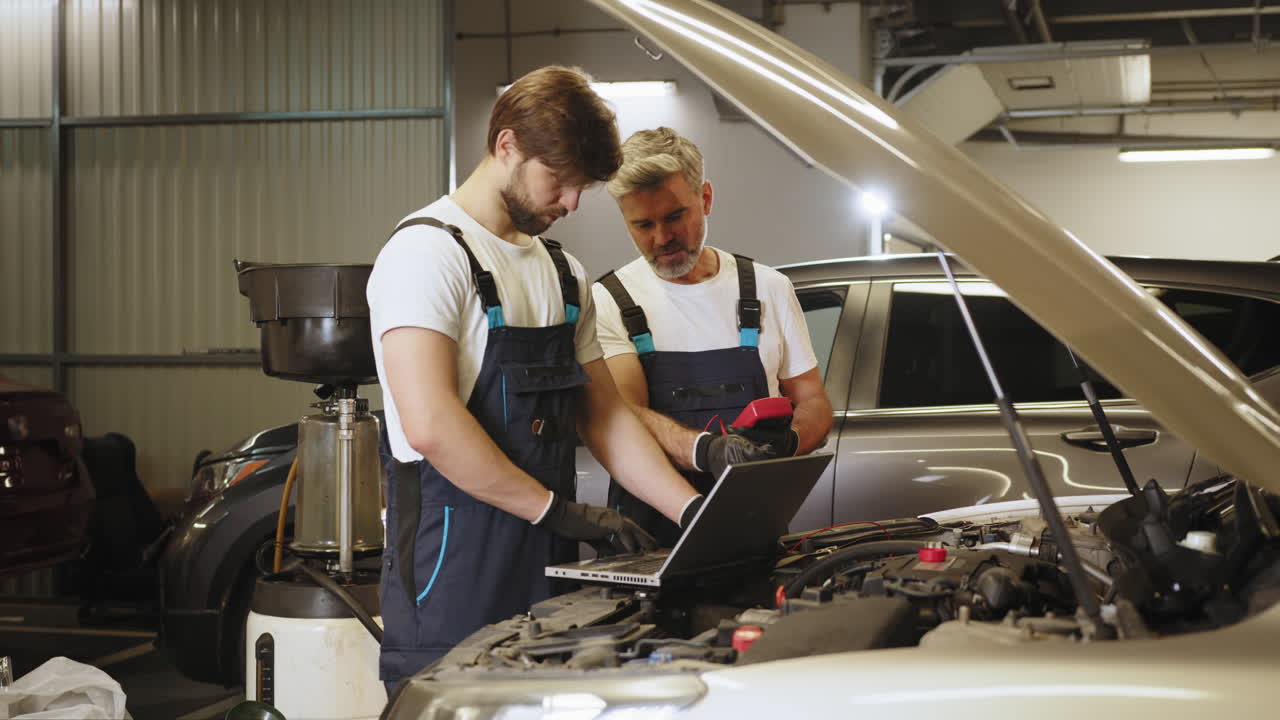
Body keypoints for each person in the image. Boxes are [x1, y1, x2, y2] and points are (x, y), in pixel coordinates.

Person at [366, 68, 701, 691]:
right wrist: (560, 512)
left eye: (582, 188)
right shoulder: (426, 255)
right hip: (452, 565)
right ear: (507, 146)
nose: (571, 203)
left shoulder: (563, 271)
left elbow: (603, 415)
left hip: (546, 559)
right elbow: (431, 424)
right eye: (561, 181)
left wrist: (694, 516)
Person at [593, 127, 834, 545]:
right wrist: (709, 451)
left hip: (753, 526)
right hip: (650, 534)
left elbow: (813, 400)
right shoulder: (611, 300)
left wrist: (788, 444)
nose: (661, 238)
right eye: (642, 224)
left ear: (705, 198)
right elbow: (624, 412)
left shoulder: (768, 289)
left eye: (674, 217)